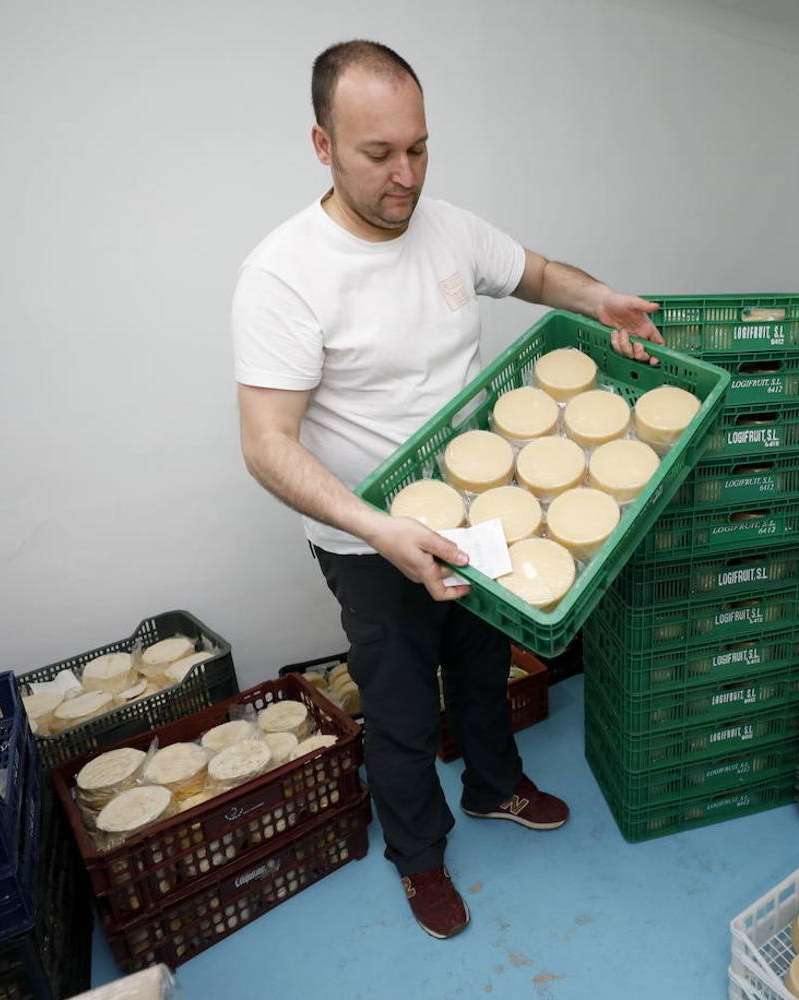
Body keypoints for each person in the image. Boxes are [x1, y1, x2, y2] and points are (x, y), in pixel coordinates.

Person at [231, 39, 663, 939]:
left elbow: (537, 274)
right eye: (378, 154)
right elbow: (266, 443)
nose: (405, 175)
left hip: (481, 507)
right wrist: (376, 528)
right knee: (397, 707)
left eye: (419, 148)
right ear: (322, 145)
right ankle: (418, 858)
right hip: (368, 539)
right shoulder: (283, 275)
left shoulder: (450, 228)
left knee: (481, 662)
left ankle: (497, 789)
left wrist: (599, 299)